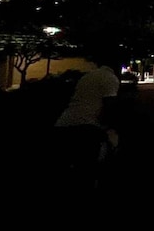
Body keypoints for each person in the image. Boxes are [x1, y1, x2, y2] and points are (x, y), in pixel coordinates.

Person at [52, 54, 124, 190]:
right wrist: (113, 128)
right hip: (86, 127)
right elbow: (110, 106)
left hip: (64, 123)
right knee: (88, 169)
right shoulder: (110, 78)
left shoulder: (89, 76)